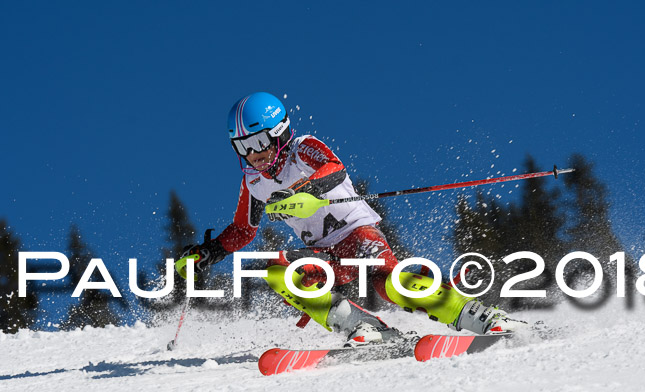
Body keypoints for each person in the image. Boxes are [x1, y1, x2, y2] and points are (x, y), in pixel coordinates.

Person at [183, 91, 526, 345]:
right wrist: (210, 251)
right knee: (279, 273)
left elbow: (334, 168)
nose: (253, 154)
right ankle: (367, 328)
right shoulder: (254, 182)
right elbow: (244, 229)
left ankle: (478, 316)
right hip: (325, 253)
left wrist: (305, 191)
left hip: (357, 234)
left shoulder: (303, 149)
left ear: (280, 133)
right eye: (242, 146)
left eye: (258, 142)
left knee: (389, 284)